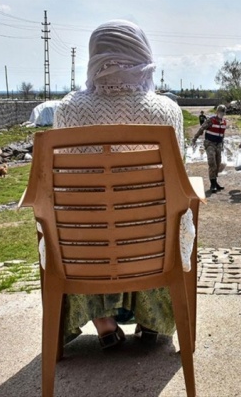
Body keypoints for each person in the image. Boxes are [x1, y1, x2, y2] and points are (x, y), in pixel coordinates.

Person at [52, 19, 183, 348]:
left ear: (95, 56)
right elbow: (177, 183)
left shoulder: (68, 110)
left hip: (85, 246)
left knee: (89, 226)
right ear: (142, 53)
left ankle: (104, 323)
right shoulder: (166, 112)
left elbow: (61, 189)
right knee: (159, 223)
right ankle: (153, 319)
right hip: (149, 245)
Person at [191, 104, 227, 193]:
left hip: (218, 144)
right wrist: (195, 138)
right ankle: (212, 184)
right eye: (220, 112)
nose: (221, 114)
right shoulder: (211, 120)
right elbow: (202, 128)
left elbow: (222, 134)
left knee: (218, 164)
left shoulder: (224, 122)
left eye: (223, 112)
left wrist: (222, 144)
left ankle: (215, 181)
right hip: (210, 143)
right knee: (212, 163)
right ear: (217, 112)